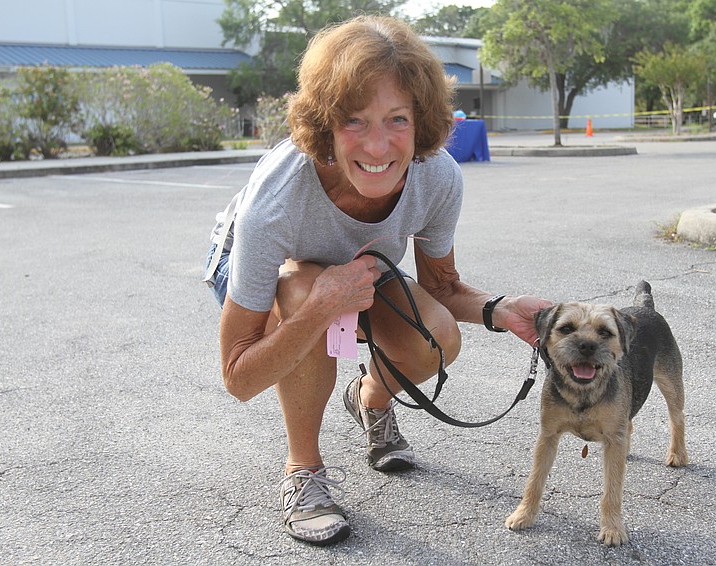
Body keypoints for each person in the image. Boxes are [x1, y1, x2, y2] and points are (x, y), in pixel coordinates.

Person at [204, 15, 552, 547]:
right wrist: (322, 307)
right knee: (302, 292)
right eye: (354, 121)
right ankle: (304, 472)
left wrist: (498, 309)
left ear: (422, 122)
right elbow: (239, 376)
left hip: (360, 275)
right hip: (262, 271)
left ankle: (370, 397)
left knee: (438, 336)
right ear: (325, 123)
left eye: (397, 119)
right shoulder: (273, 206)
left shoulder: (436, 178)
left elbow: (441, 286)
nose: (377, 146)